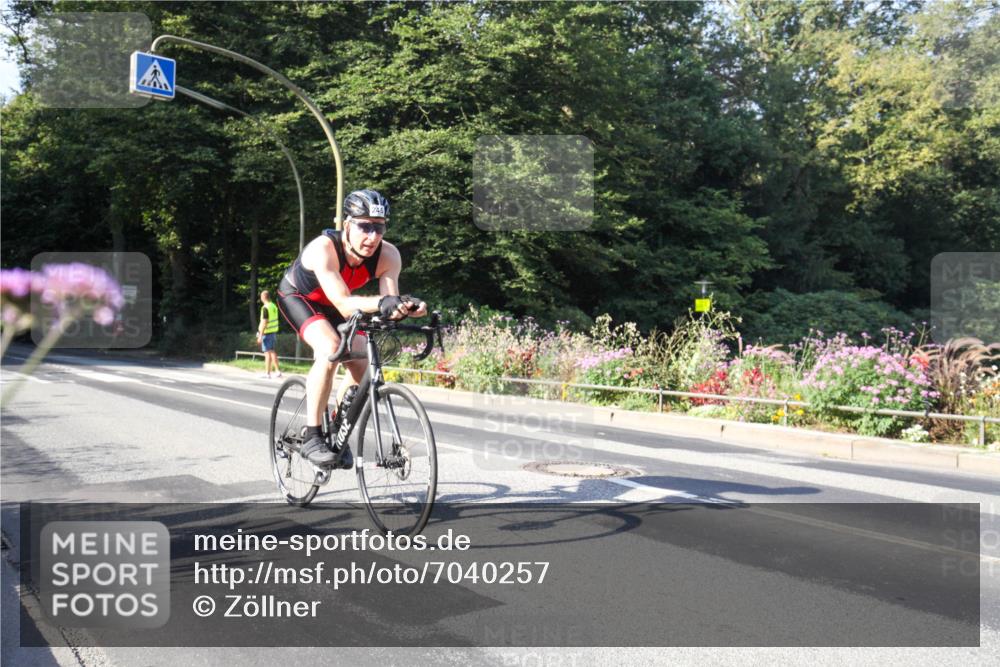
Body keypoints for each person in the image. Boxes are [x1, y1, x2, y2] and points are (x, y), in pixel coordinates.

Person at [276, 189, 427, 468]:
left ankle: (337, 427)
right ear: (347, 225)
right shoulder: (324, 248)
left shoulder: (389, 255)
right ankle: (312, 435)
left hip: (334, 302)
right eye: (364, 226)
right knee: (331, 348)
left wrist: (408, 306)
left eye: (379, 227)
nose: (372, 236)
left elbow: (389, 304)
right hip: (299, 297)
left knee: (363, 362)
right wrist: (382, 302)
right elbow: (345, 304)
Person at [256, 291, 282, 379]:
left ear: (263, 297)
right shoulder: (273, 306)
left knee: (267, 353)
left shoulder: (265, 308)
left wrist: (260, 335)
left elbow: (264, 322)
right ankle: (277, 371)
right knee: (272, 352)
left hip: (267, 333)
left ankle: (267, 373)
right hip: (273, 332)